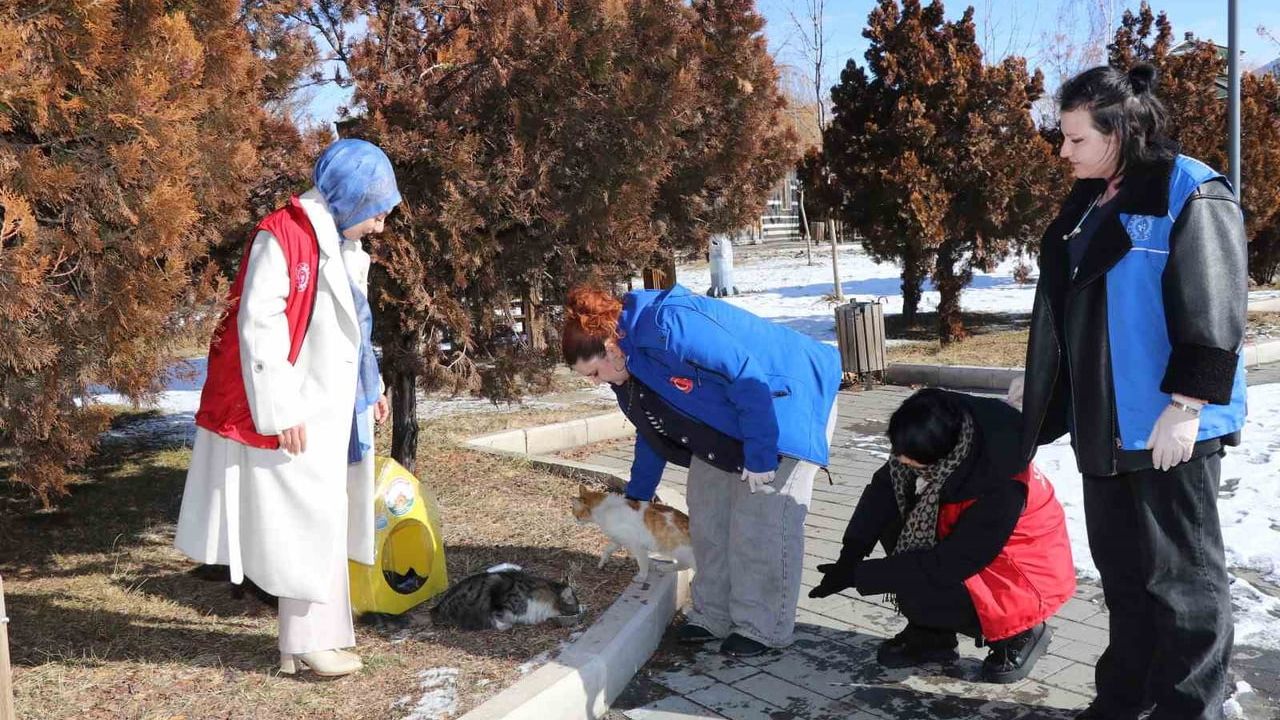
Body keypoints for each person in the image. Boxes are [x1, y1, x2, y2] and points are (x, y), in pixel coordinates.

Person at [1017, 63, 1247, 720]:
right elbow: (1075, 301)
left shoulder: (1189, 190)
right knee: (1124, 579)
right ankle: (1126, 697)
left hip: (1167, 425)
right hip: (1105, 424)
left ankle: (1190, 708)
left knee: (1184, 583)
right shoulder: (1091, 200)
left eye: (1077, 139)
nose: (1064, 152)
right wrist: (1042, 379)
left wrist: (1188, 404)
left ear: (1118, 131)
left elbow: (1216, 307)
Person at [175, 139, 401, 677]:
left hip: (330, 408)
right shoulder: (284, 237)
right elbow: (258, 325)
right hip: (299, 411)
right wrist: (279, 411)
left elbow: (355, 328)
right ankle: (305, 642)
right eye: (376, 210)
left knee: (326, 518)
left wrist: (370, 387)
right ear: (349, 196)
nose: (381, 224)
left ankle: (317, 639)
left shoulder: (339, 244)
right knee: (305, 524)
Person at [562, 283, 841, 657]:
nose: (596, 383)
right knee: (707, 513)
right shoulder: (628, 366)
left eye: (594, 373)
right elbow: (650, 426)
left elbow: (746, 375)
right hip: (726, 422)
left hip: (784, 402)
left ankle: (761, 626)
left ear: (611, 348)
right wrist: (637, 497)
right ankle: (713, 614)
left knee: (761, 522)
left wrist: (760, 454)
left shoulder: (670, 327)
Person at [810, 389, 1076, 684]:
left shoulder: (1002, 485)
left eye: (913, 460)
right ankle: (931, 634)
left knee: (920, 578)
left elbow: (949, 564)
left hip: (1018, 576)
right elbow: (883, 491)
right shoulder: (944, 433)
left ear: (945, 454)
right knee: (898, 517)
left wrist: (860, 576)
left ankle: (1020, 632)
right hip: (966, 551)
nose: (901, 461)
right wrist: (849, 557)